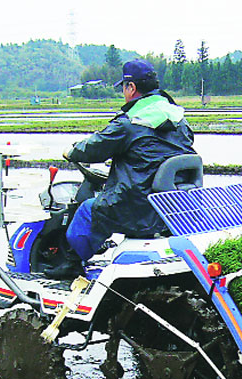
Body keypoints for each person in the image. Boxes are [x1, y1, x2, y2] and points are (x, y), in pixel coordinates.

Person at [57, 59, 195, 274]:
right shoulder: (180, 121)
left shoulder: (130, 122)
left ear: (131, 87)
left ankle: (72, 264)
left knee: (87, 212)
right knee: (104, 204)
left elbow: (93, 148)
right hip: (171, 205)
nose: (123, 92)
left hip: (136, 205)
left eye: (123, 87)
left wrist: (72, 151)